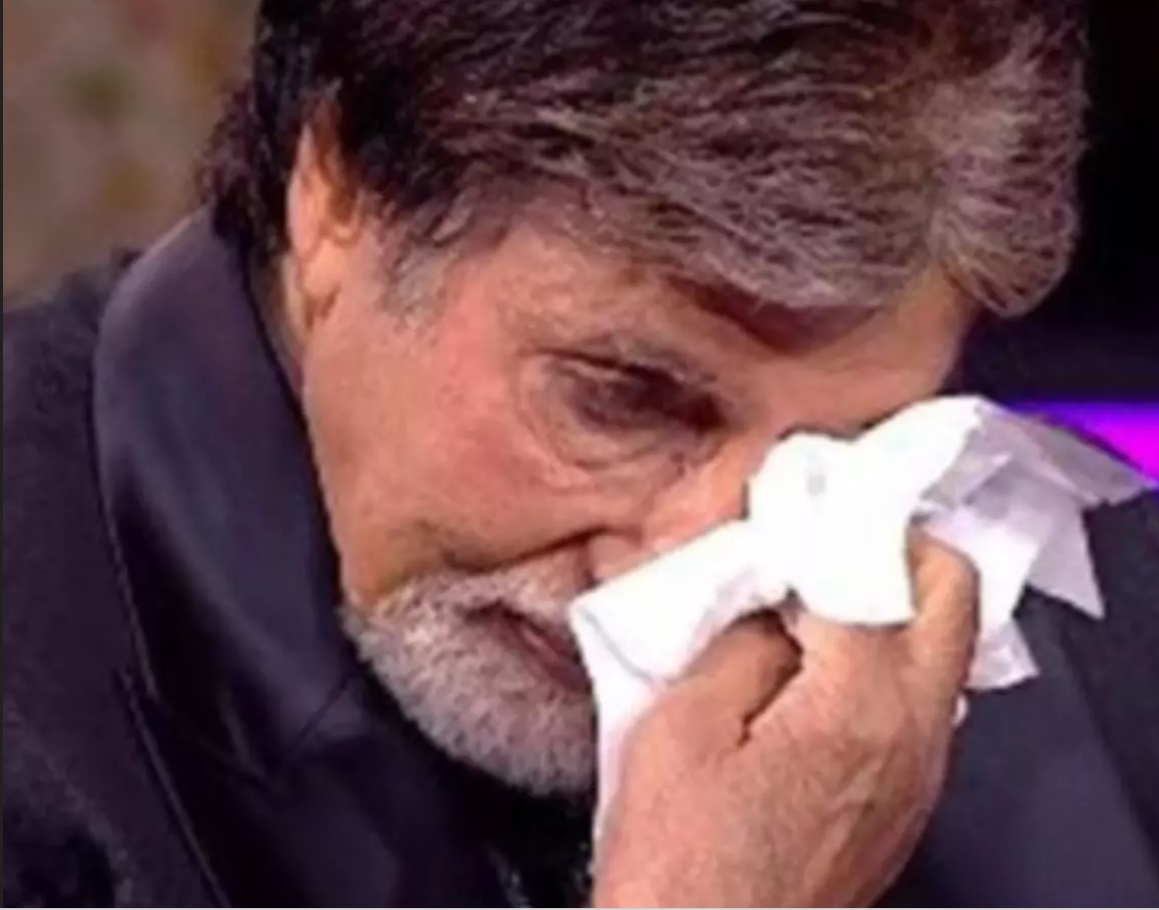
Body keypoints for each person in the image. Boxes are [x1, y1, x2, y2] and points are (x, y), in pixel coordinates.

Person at [4, 0, 1157, 906]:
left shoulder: (1085, 638)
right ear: (340, 195)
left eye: (846, 455)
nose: (696, 570)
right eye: (623, 399)